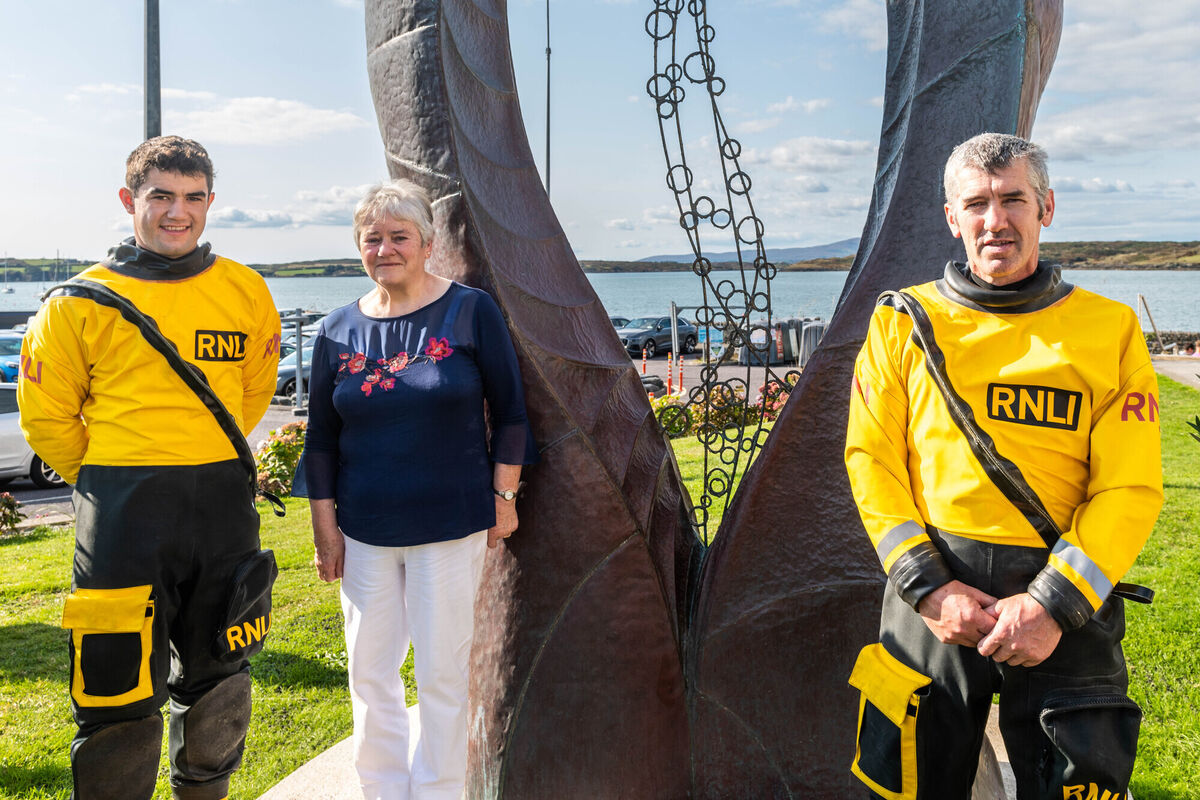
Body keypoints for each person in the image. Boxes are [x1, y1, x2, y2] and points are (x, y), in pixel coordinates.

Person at [844, 133, 1161, 800]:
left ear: (1046, 207)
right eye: (977, 203)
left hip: (1065, 600)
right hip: (935, 599)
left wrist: (1052, 606)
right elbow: (871, 461)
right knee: (909, 786)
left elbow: (1128, 487)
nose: (995, 221)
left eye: (1013, 199)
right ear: (951, 217)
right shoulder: (902, 322)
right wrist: (928, 588)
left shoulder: (1111, 330)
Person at [18, 136, 281, 800]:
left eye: (193, 198)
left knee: (221, 677)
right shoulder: (77, 302)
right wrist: (114, 474)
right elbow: (46, 419)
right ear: (129, 200)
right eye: (161, 195)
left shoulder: (246, 291)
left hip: (221, 508)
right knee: (115, 693)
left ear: (210, 203)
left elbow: (250, 397)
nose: (177, 212)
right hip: (120, 512)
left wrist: (193, 454)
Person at [295, 179, 537, 800]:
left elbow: (511, 413)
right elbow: (320, 440)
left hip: (449, 528)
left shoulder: (470, 310)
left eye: (399, 236)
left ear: (427, 243)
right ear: (358, 248)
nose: (385, 248)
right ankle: (381, 789)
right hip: (365, 532)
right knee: (369, 675)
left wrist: (504, 500)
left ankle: (437, 792)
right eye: (371, 238)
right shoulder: (337, 330)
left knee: (441, 675)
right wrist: (326, 531)